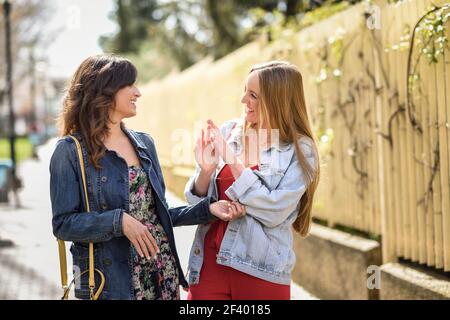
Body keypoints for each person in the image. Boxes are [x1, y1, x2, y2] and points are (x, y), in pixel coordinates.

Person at [49, 55, 245, 300]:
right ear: (105, 89)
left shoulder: (144, 143)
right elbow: (63, 224)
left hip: (161, 272)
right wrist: (118, 221)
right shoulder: (69, 151)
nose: (138, 92)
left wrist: (208, 209)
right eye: (129, 84)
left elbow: (157, 214)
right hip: (113, 284)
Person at [184, 61, 320, 300]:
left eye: (253, 95)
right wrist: (206, 171)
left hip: (261, 269)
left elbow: (275, 210)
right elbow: (194, 201)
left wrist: (230, 158)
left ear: (276, 100)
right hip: (209, 265)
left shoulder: (299, 149)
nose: (243, 100)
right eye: (244, 91)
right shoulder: (229, 131)